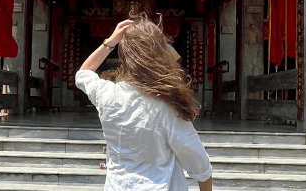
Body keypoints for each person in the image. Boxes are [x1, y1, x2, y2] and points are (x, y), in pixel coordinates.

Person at [75, 15, 213, 191]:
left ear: (124, 56)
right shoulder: (168, 107)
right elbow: (200, 167)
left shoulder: (107, 95)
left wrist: (110, 42)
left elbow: (83, 74)